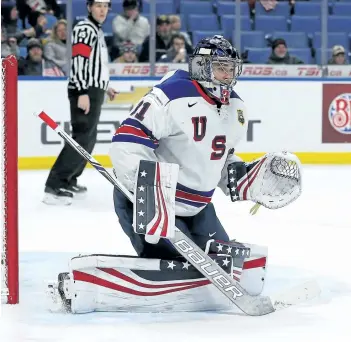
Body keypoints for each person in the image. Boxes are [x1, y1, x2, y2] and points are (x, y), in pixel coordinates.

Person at [109, 35, 247, 259]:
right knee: (177, 261)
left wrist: (245, 179)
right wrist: (150, 196)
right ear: (203, 68)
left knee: (226, 260)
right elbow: (126, 143)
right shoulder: (172, 95)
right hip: (149, 202)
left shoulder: (237, 108)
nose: (228, 75)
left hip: (197, 209)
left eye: (231, 69)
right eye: (222, 68)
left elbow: (219, 158)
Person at [43, 0, 118, 205]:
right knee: (81, 139)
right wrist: (82, 91)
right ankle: (54, 185)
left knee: (88, 140)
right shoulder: (85, 28)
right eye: (98, 5)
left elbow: (96, 65)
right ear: (89, 7)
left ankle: (68, 180)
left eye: (106, 6)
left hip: (93, 89)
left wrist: (104, 86)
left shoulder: (96, 30)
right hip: (84, 90)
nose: (103, 10)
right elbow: (78, 61)